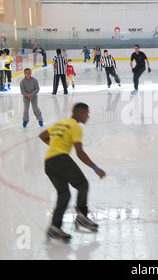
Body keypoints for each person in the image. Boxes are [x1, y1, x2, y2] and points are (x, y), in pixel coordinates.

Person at [39, 103, 106, 242]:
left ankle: (54, 227)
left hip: (49, 162)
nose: (88, 116)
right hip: (60, 159)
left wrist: (55, 146)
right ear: (79, 113)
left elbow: (43, 135)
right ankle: (82, 217)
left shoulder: (61, 123)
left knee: (64, 194)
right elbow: (80, 153)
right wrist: (95, 168)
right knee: (83, 184)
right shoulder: (76, 127)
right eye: (86, 113)